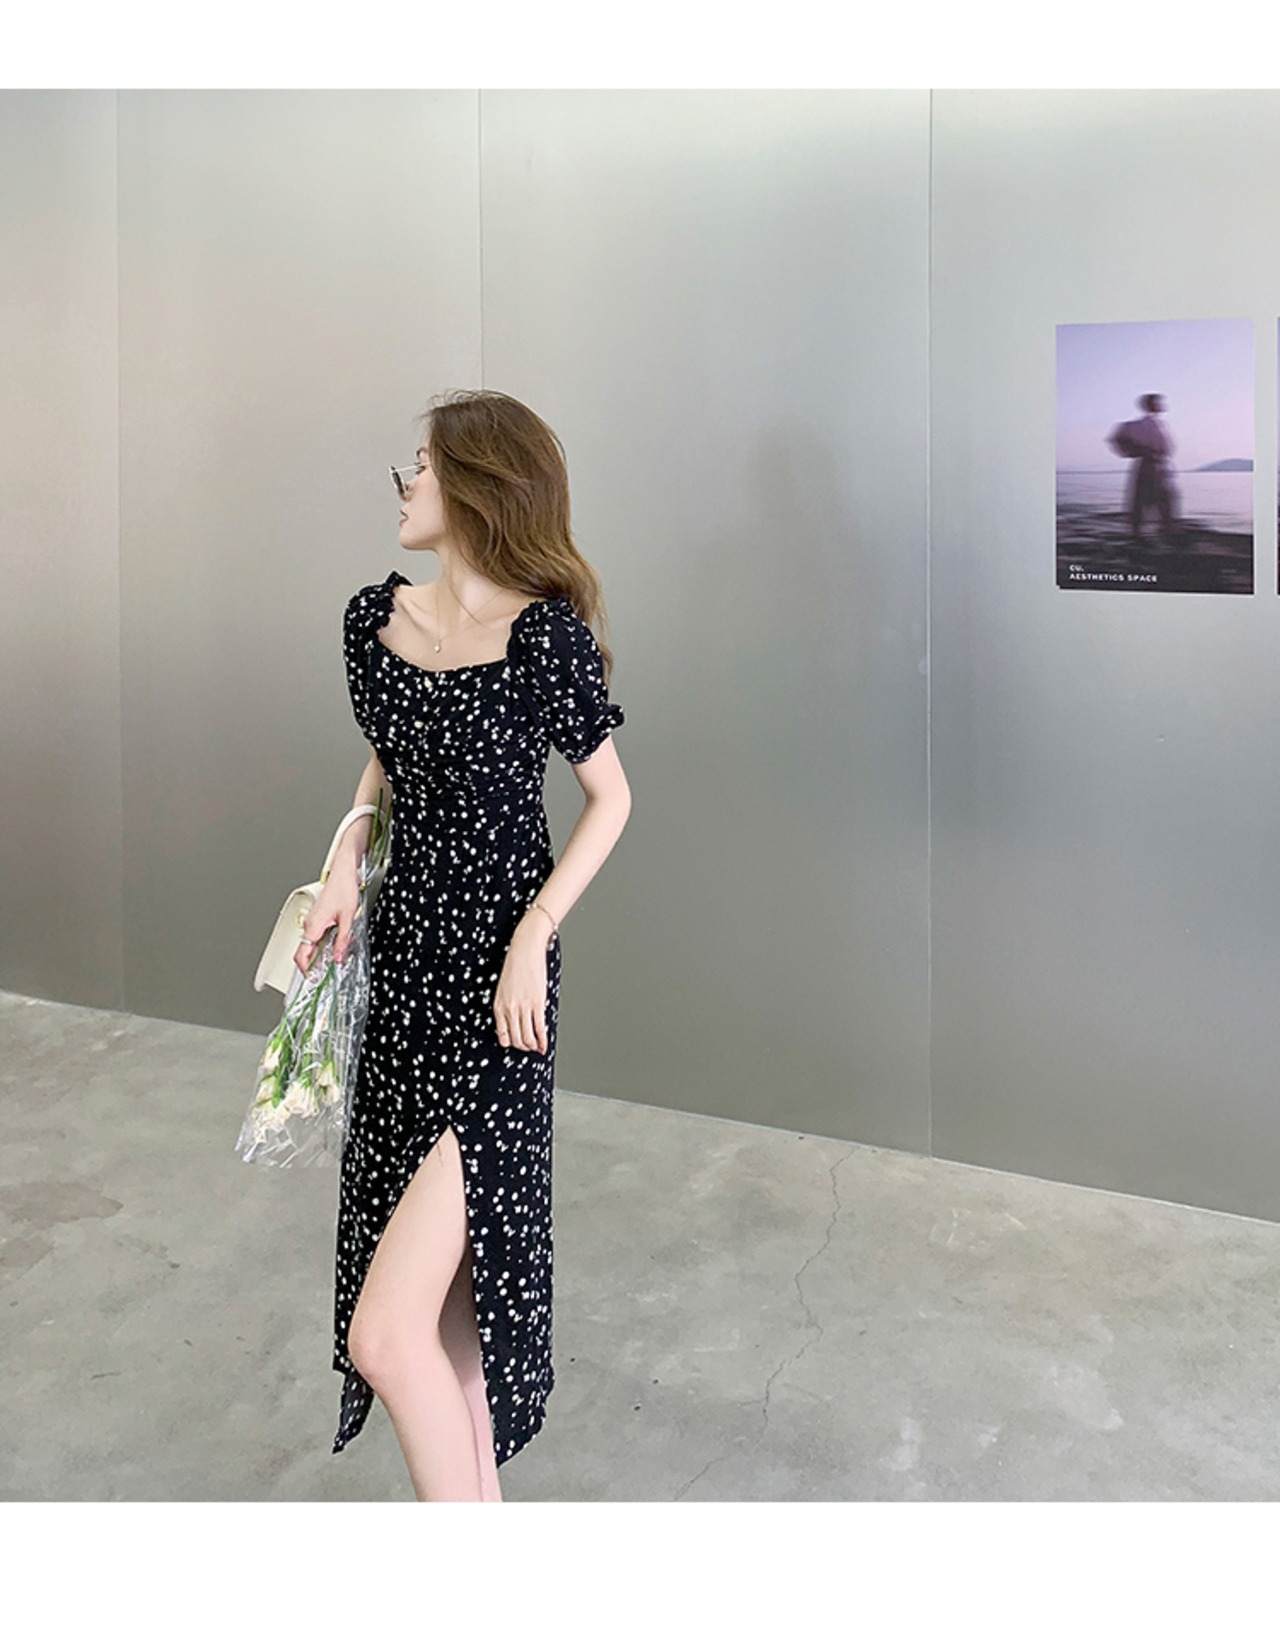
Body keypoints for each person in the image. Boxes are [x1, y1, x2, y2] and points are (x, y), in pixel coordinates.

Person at [297, 389, 632, 1501]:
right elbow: (394, 752)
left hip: (497, 992)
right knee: (450, 1330)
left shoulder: (542, 638)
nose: (405, 486)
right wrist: (348, 849)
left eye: (423, 467)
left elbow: (612, 800)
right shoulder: (376, 621)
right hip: (404, 976)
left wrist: (535, 932)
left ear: (479, 487)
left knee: (387, 1336)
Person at [1108, 392, 1181, 542]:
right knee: (1142, 498)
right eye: (1158, 402)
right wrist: (1137, 451)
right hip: (1147, 464)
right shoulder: (1138, 425)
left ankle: (1165, 528)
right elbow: (1116, 438)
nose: (1162, 405)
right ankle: (1138, 532)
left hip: (1162, 464)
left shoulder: (1161, 424)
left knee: (1166, 498)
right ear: (1149, 405)